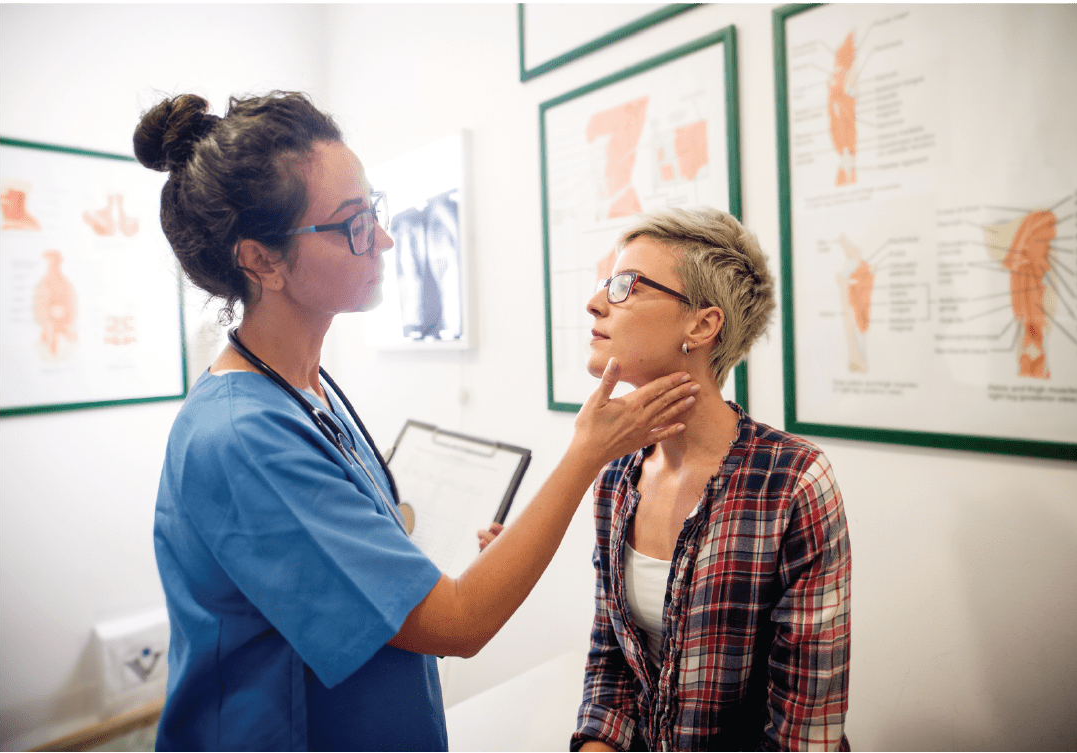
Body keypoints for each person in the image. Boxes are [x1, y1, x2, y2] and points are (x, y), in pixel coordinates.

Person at [136, 91, 699, 752]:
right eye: (351, 223)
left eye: (373, 207)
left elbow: (375, 546)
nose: (385, 237)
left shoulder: (306, 387)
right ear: (261, 258)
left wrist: (482, 554)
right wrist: (588, 450)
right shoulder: (241, 438)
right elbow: (457, 624)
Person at [571, 208, 851, 751]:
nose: (596, 301)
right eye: (606, 282)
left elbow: (805, 724)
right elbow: (612, 663)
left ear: (702, 325)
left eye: (625, 285)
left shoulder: (793, 481)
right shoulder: (617, 478)